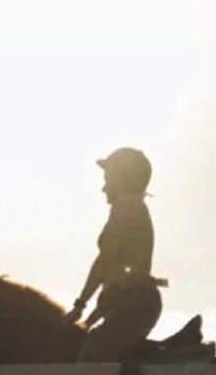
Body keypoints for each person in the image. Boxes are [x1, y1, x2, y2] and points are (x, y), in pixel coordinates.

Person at [64, 147, 165, 362]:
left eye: (107, 178)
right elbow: (117, 284)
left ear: (120, 178)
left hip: (133, 303)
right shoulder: (134, 208)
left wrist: (80, 305)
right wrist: (89, 322)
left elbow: (104, 262)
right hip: (132, 302)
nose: (103, 187)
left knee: (91, 363)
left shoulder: (125, 207)